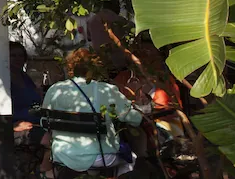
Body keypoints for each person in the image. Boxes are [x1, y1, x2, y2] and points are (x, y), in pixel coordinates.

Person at [41, 49, 143, 177]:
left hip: (63, 155)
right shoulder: (106, 89)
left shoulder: (55, 89)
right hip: (101, 156)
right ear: (96, 67)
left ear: (70, 67)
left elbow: (45, 121)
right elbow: (135, 119)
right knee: (130, 159)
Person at [8, 42, 43, 139]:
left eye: (21, 55)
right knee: (49, 139)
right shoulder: (0, 78)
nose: (17, 59)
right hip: (17, 128)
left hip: (36, 123)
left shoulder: (25, 78)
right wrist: (12, 125)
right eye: (13, 55)